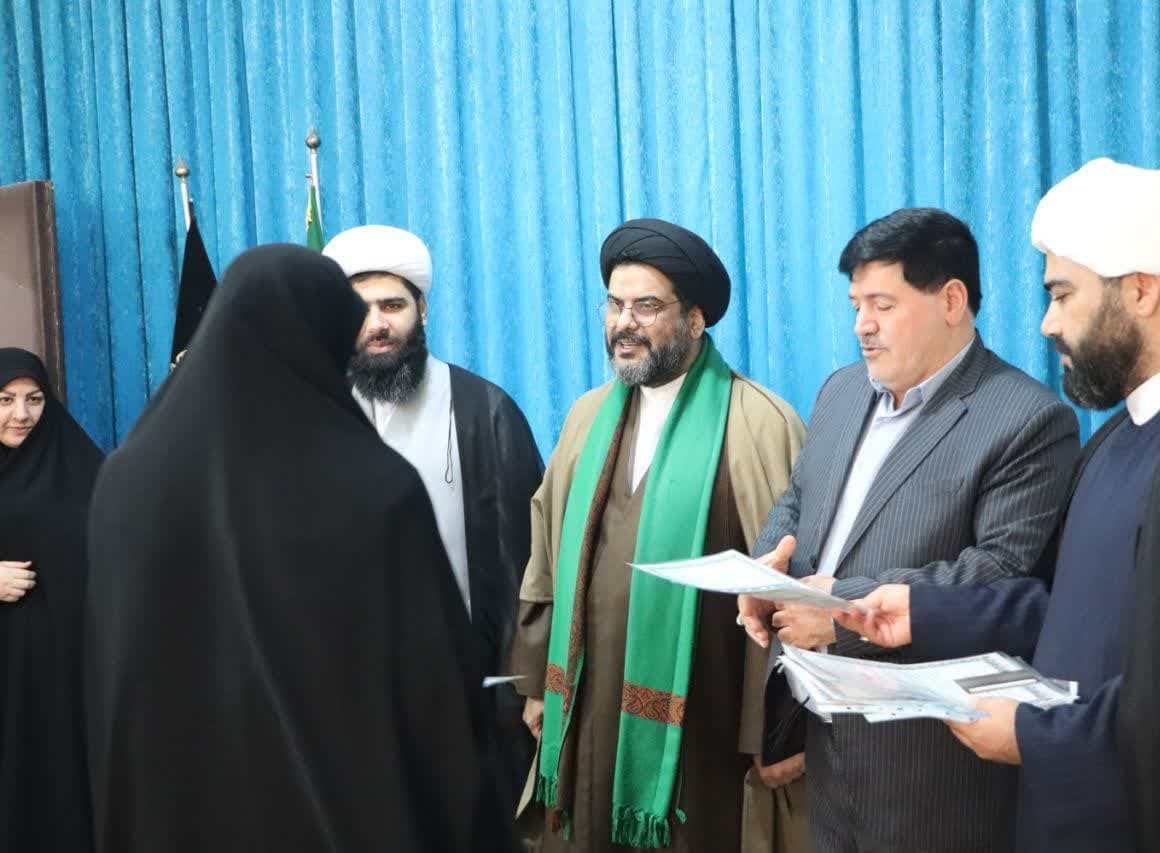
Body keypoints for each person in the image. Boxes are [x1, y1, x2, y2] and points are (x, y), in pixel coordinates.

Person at [837, 159, 1160, 853]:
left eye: (1063, 294)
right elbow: (1065, 605)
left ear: (1142, 289)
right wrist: (921, 612)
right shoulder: (1118, 438)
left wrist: (1035, 736)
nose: (1047, 323)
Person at [82, 245, 483, 852]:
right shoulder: (374, 488)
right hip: (341, 813)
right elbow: (435, 695)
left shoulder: (124, 482)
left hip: (174, 814)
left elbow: (109, 680)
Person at [739, 208, 1079, 853]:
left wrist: (838, 611)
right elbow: (798, 500)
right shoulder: (842, 391)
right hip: (825, 741)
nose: (862, 325)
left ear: (951, 300)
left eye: (882, 304)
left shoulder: (1027, 419)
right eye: (856, 305)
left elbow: (1000, 574)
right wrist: (766, 572)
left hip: (931, 761)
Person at [510, 218, 806, 851]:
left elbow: (791, 588)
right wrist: (538, 686)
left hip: (702, 718)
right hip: (585, 701)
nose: (624, 323)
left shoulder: (759, 422)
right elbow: (545, 556)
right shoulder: (586, 417)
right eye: (615, 305)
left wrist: (777, 728)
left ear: (695, 320)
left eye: (646, 306)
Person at [323, 224, 544, 815]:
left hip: (469, 692)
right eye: (361, 310)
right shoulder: (321, 415)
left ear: (421, 310)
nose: (377, 324)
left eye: (393, 306)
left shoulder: (483, 411)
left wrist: (524, 686)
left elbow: (528, 565)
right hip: (358, 694)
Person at [0, 348, 103, 852]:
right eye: (5, 400)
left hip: (66, 671)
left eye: (35, 399)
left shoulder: (78, 464)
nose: (22, 414)